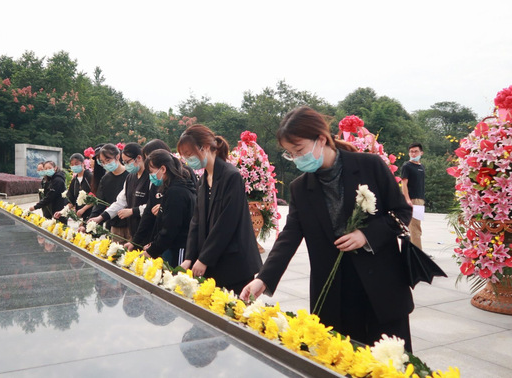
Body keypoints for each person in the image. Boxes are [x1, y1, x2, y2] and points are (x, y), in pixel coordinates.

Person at [240, 106, 414, 352]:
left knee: (391, 362)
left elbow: (401, 212)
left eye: (299, 150)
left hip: (381, 286)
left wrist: (366, 235)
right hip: (335, 291)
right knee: (341, 359)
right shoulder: (301, 188)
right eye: (290, 154)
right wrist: (263, 279)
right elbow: (289, 236)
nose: (297, 158)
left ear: (321, 139)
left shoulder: (369, 166)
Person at [177, 124, 262, 294]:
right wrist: (189, 257)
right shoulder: (202, 181)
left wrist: (204, 258)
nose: (187, 160)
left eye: (189, 154)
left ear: (205, 147)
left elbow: (226, 223)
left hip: (234, 263)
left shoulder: (231, 176)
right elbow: (196, 222)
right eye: (184, 156)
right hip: (213, 262)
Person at [140, 149, 197, 266]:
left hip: (178, 248)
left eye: (151, 172)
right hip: (170, 247)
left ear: (163, 169)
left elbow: (171, 228)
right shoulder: (173, 188)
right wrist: (154, 243)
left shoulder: (176, 192)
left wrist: (152, 251)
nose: (150, 177)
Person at [88, 143, 150, 237]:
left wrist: (132, 211)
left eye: (127, 162)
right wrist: (100, 217)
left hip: (144, 227)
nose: (126, 165)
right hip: (130, 227)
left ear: (139, 158)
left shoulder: (150, 177)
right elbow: (120, 202)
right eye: (124, 162)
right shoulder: (130, 177)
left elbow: (152, 205)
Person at [88, 143, 129, 239]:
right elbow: (99, 203)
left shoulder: (129, 175)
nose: (106, 164)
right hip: (114, 224)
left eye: (108, 160)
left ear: (117, 157)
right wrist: (89, 222)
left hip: (130, 224)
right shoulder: (105, 179)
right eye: (102, 162)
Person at [53, 153, 94, 221]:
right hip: (82, 215)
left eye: (76, 163)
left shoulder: (90, 177)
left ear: (83, 163)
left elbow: (95, 196)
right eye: (72, 164)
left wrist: (83, 209)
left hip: (93, 214)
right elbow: (71, 200)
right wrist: (62, 211)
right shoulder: (74, 180)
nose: (74, 166)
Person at [401, 142, 425, 250]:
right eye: (411, 152)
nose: (413, 154)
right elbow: (404, 184)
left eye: (416, 151)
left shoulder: (421, 167)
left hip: (420, 199)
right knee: (414, 228)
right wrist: (407, 199)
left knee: (416, 227)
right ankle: (418, 252)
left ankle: (413, 251)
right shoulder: (407, 166)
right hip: (412, 199)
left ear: (421, 153)